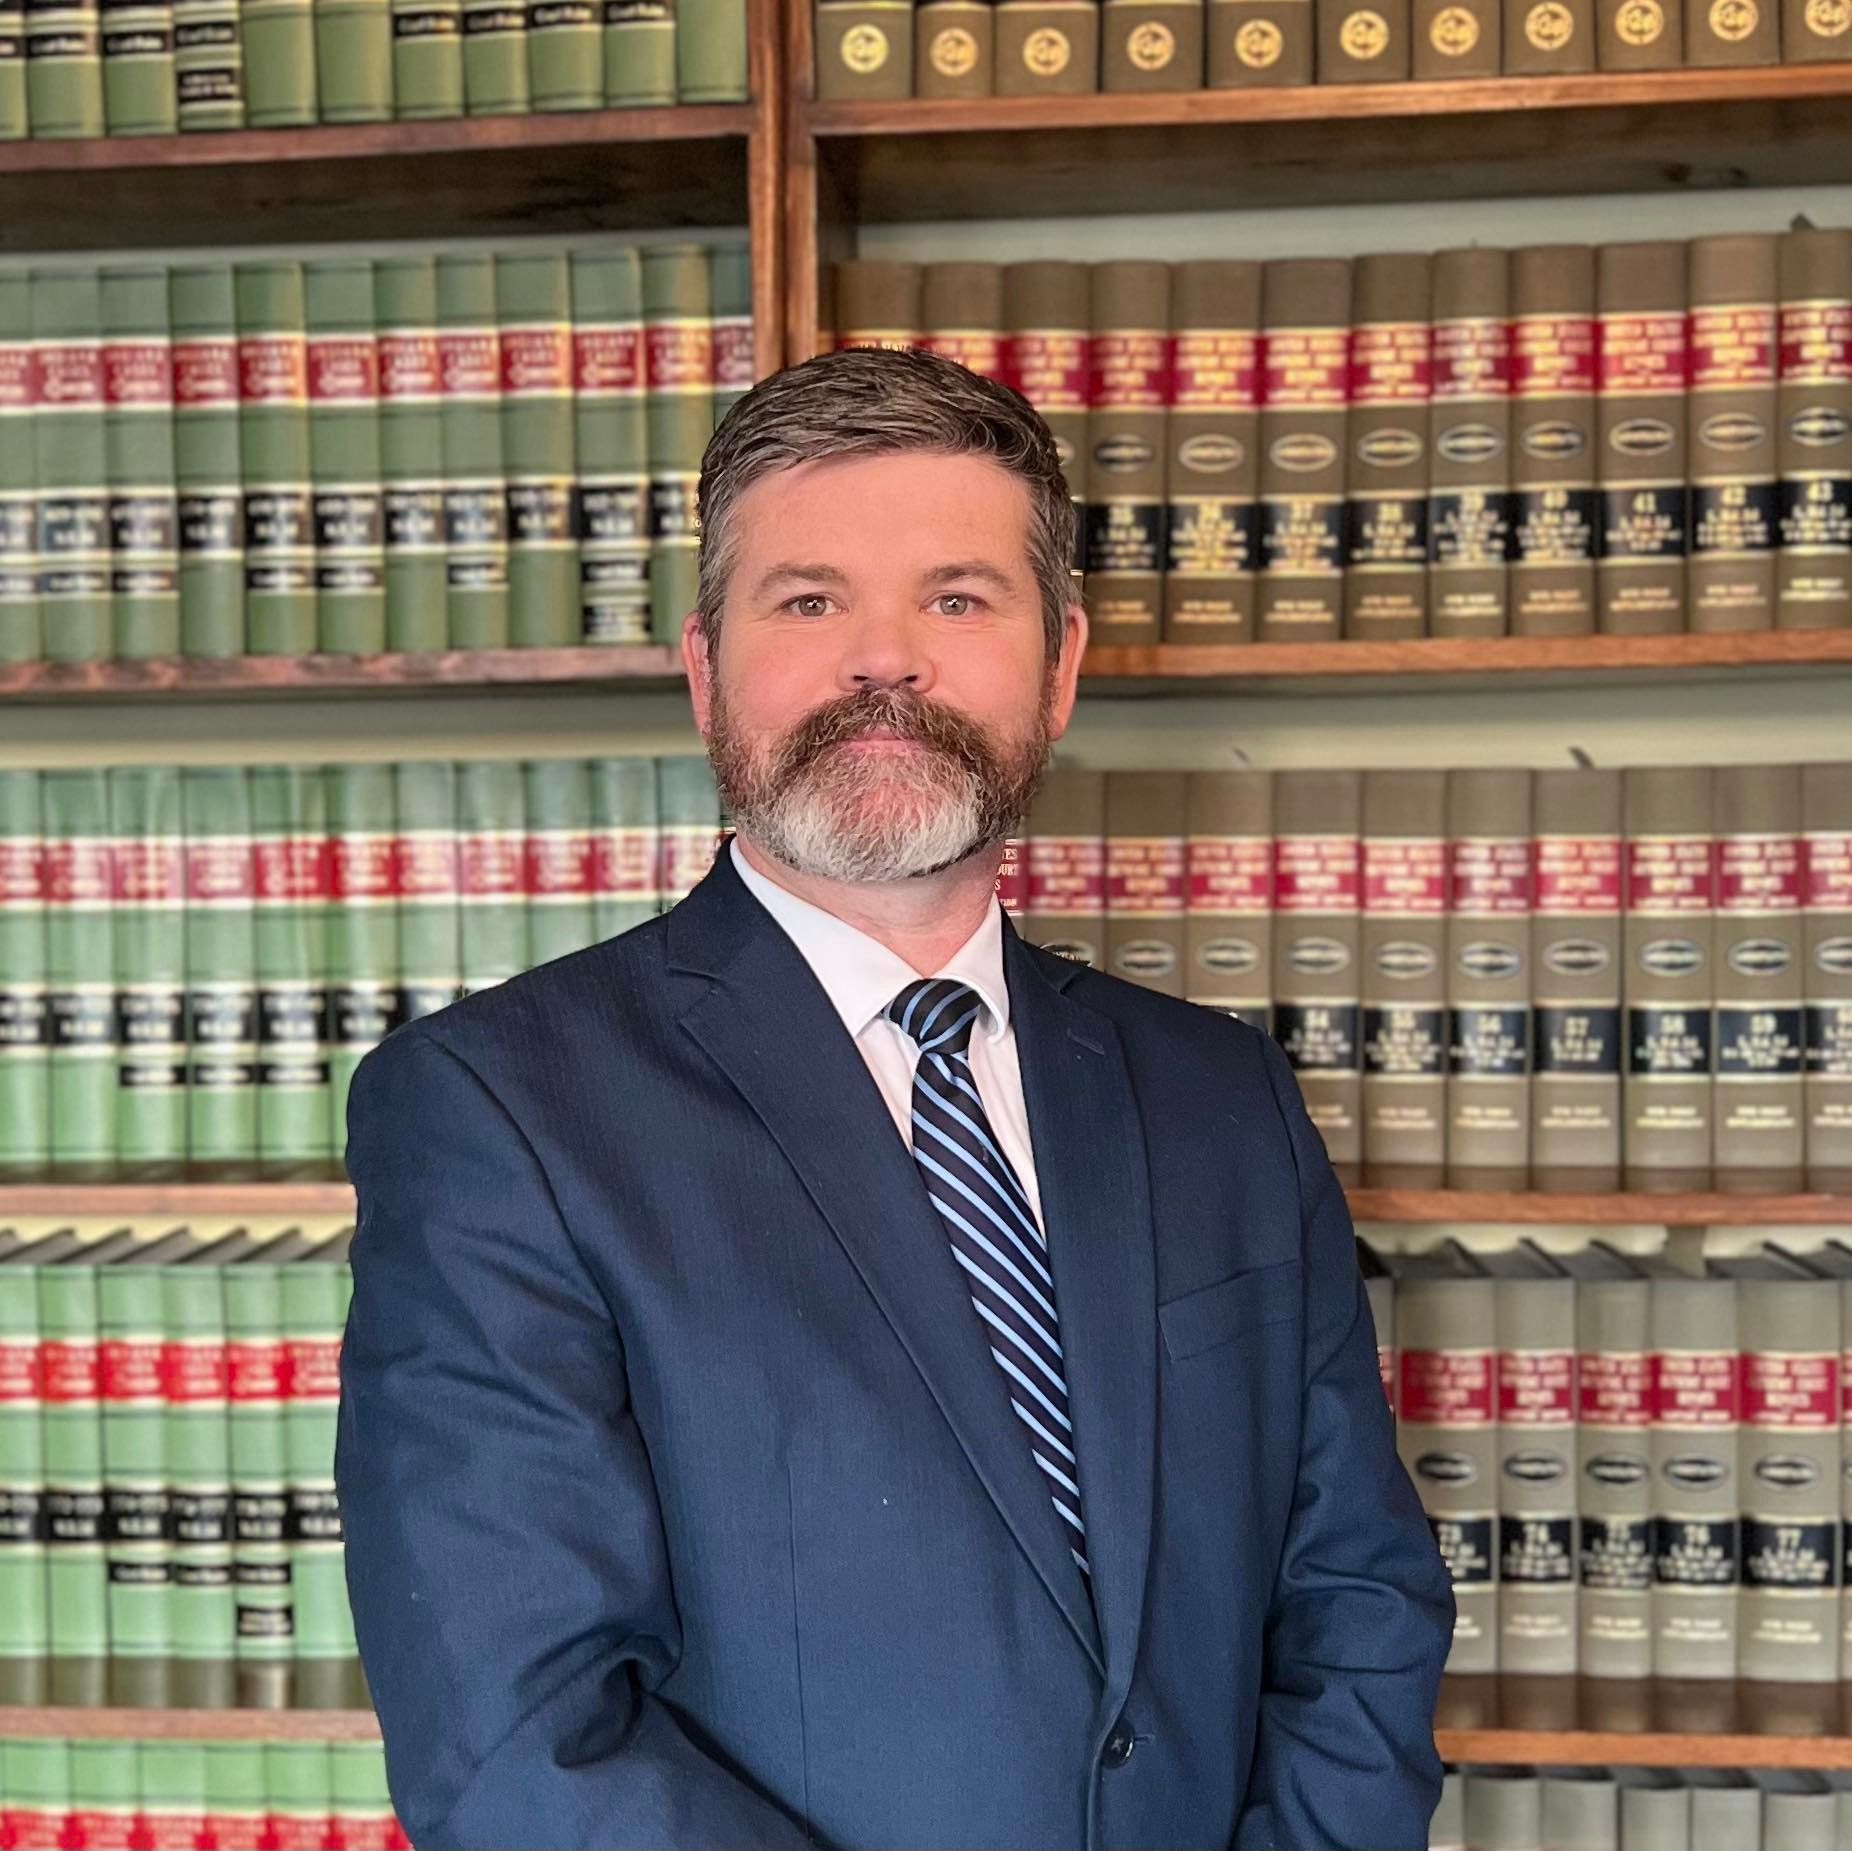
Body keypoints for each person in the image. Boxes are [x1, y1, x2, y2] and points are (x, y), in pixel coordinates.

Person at [335, 343, 1454, 1851]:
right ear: (704, 667)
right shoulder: (500, 1112)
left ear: (1059, 665)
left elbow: (1359, 1606)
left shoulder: (1223, 1098)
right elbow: (517, 1737)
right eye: (809, 601)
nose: (886, 658)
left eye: (956, 598)